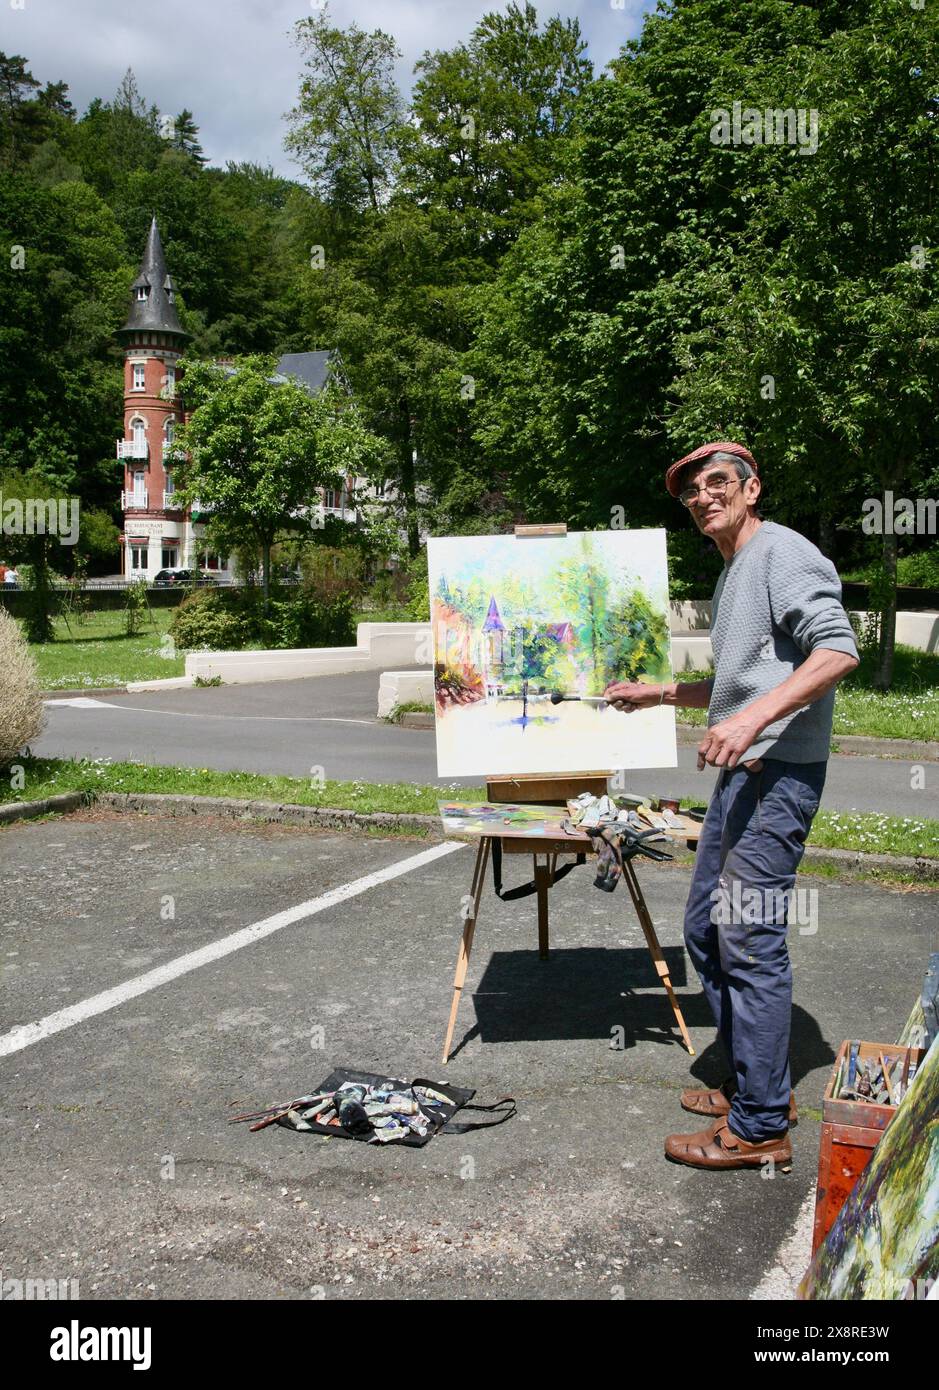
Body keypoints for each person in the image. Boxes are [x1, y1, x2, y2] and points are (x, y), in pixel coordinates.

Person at [604, 442, 859, 1170]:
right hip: (744, 774)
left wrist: (750, 723)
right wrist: (659, 693)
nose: (703, 496)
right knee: (705, 931)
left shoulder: (783, 553)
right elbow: (745, 682)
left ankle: (759, 1126)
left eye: (717, 483)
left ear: (751, 489)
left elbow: (835, 652)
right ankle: (754, 1078)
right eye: (691, 491)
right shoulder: (733, 570)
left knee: (746, 938)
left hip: (778, 775)